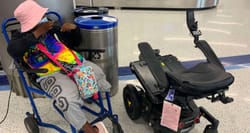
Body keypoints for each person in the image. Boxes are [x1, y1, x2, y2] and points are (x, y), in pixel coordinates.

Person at [7, 0, 108, 133]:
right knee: (67, 100)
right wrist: (37, 33)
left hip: (73, 64)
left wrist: (73, 30)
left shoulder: (51, 28)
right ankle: (88, 129)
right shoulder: (18, 38)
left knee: (97, 73)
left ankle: (86, 93)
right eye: (40, 17)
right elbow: (13, 50)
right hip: (49, 74)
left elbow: (74, 42)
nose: (45, 18)